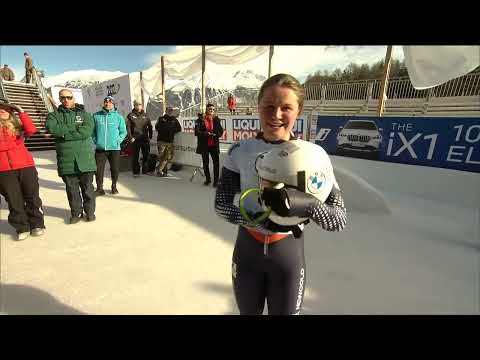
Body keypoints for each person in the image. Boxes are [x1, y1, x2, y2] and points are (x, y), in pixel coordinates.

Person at [214, 74, 347, 315]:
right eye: (269, 106)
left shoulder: (314, 156)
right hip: (247, 254)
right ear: (258, 107)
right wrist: (255, 220)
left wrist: (308, 206)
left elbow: (338, 218)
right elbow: (221, 203)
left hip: (287, 256)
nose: (276, 115)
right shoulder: (239, 151)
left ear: (299, 110)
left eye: (286, 107)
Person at [45, 89, 97, 224]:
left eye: (69, 97)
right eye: (63, 98)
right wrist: (74, 129)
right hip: (66, 160)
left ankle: (90, 212)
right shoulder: (53, 116)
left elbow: (86, 132)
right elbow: (53, 129)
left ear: (74, 98)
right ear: (60, 99)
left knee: (88, 189)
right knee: (72, 190)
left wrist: (64, 134)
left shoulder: (85, 115)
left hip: (85, 159)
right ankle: (76, 213)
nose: (66, 100)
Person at [0, 98, 45, 240]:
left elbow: (32, 130)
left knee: (32, 196)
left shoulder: (18, 126)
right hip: (3, 170)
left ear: (12, 112)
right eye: (0, 108)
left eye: (7, 109)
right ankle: (21, 227)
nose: (3, 110)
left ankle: (37, 224)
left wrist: (21, 112)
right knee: (14, 200)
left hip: (26, 167)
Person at [92, 96, 127, 195]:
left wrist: (118, 141)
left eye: (110, 102)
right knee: (98, 170)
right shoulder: (96, 116)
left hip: (114, 148)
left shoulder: (118, 117)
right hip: (100, 149)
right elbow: (92, 131)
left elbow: (123, 132)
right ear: (104, 103)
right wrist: (96, 141)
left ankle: (114, 186)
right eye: (106, 102)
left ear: (113, 104)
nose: (108, 104)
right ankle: (99, 189)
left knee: (115, 169)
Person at [194, 104, 224, 187]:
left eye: (213, 109)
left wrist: (216, 134)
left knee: (216, 163)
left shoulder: (216, 119)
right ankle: (208, 179)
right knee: (205, 163)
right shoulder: (200, 119)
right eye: (210, 109)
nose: (212, 110)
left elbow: (221, 131)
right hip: (204, 145)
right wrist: (205, 134)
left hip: (214, 144)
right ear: (206, 109)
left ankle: (216, 181)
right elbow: (196, 132)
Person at [126, 100, 153, 177]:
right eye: (136, 105)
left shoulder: (146, 115)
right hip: (135, 139)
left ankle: (145, 170)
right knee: (135, 156)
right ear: (134, 105)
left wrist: (150, 136)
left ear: (142, 105)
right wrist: (130, 137)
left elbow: (150, 126)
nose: (138, 106)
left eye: (140, 104)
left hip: (144, 139)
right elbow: (128, 127)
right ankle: (136, 172)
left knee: (146, 155)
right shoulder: (130, 115)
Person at [155, 106, 181, 177]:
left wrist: (172, 132)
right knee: (162, 157)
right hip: (161, 141)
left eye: (171, 110)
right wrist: (165, 130)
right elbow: (156, 127)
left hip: (170, 141)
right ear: (166, 111)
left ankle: (159, 169)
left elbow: (179, 128)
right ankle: (162, 171)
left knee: (168, 157)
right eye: (169, 110)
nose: (170, 111)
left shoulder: (174, 119)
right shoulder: (161, 118)